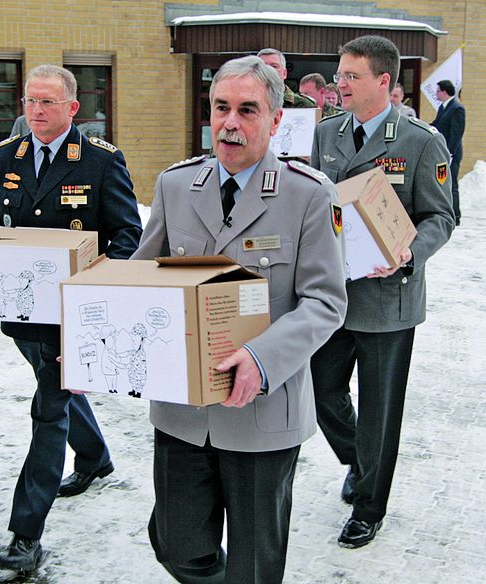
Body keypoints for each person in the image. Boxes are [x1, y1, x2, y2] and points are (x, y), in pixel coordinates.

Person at [133, 55, 347, 584]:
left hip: (262, 416)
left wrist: (260, 357)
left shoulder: (308, 194)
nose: (230, 122)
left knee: (254, 566)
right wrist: (94, 339)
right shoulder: (176, 185)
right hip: (183, 413)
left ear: (275, 121)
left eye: (247, 110)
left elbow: (326, 301)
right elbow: (141, 279)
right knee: (177, 545)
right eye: (220, 108)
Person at [0, 64, 142, 573]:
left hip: (73, 314)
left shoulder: (100, 161)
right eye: (29, 101)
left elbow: (126, 236)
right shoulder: (6, 157)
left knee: (48, 410)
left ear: (72, 109)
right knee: (59, 386)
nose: (36, 111)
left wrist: (99, 301)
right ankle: (94, 458)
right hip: (23, 312)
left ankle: (26, 534)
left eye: (47, 102)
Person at [310, 35, 455, 549]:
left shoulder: (420, 141)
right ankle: (358, 460)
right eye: (339, 74)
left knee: (379, 410)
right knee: (322, 391)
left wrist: (409, 250)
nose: (339, 84)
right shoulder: (325, 134)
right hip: (331, 295)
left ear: (384, 83)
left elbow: (441, 215)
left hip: (387, 300)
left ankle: (369, 506)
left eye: (351, 76)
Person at [431, 79, 466, 225]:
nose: (436, 93)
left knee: (452, 185)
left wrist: (450, 153)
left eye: (438, 90)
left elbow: (457, 134)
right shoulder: (443, 107)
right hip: (443, 151)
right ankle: (447, 212)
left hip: (452, 154)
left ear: (444, 91)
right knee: (443, 183)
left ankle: (456, 215)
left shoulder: (457, 108)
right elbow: (436, 125)